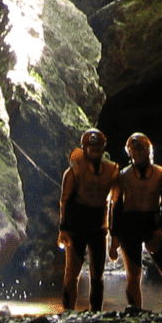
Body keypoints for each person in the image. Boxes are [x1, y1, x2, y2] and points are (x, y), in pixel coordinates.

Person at [111, 132, 162, 311]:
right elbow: (116, 207)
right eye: (135, 150)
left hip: (151, 223)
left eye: (142, 149)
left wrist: (160, 230)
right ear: (130, 153)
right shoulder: (122, 176)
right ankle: (134, 310)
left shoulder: (161, 175)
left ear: (149, 150)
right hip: (129, 225)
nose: (139, 153)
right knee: (134, 275)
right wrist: (114, 237)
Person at [58, 128, 119, 311]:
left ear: (103, 148)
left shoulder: (111, 170)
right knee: (72, 273)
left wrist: (114, 236)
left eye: (98, 146)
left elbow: (116, 202)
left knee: (98, 274)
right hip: (77, 225)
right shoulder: (75, 170)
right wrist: (63, 229)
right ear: (84, 147)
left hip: (99, 226)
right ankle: (68, 311)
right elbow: (65, 200)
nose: (95, 149)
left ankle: (96, 311)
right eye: (91, 146)